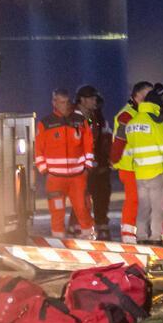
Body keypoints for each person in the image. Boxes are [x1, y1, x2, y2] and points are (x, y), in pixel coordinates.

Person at [113, 85, 163, 244]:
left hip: (139, 171)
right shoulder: (154, 122)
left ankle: (140, 235)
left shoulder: (132, 121)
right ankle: (155, 237)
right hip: (154, 171)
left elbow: (129, 145)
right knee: (158, 207)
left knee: (142, 207)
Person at [36, 89, 95, 238]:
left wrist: (87, 167)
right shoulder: (45, 123)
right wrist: (44, 170)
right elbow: (38, 149)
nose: (65, 105)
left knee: (82, 207)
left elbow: (88, 144)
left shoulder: (80, 121)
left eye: (67, 102)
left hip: (77, 176)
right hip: (55, 178)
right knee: (57, 211)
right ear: (54, 103)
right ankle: (58, 239)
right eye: (62, 102)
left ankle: (89, 235)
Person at [74, 84, 115, 238]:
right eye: (91, 99)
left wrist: (108, 158)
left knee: (102, 196)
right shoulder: (73, 119)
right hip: (81, 167)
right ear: (82, 100)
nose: (94, 102)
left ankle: (101, 225)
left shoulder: (98, 118)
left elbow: (106, 139)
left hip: (100, 166)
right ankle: (78, 227)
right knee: (81, 199)